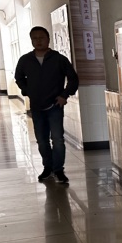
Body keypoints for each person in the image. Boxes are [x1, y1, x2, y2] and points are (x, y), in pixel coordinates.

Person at [14, 26, 79, 184]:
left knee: (57, 139)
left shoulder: (59, 59)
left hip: (55, 106)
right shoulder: (25, 60)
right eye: (34, 38)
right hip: (37, 106)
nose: (38, 41)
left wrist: (64, 95)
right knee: (42, 140)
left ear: (48, 39)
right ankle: (48, 168)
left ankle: (58, 170)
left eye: (41, 38)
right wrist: (27, 90)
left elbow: (73, 79)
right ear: (31, 41)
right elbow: (19, 77)